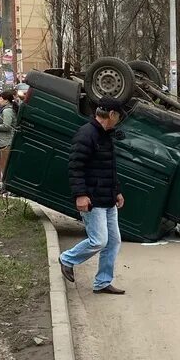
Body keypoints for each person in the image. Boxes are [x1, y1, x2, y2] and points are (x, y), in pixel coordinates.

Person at [59, 97, 126, 295]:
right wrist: (80, 195)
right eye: (118, 116)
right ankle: (67, 259)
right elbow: (75, 167)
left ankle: (103, 282)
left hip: (108, 197)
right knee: (99, 240)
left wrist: (117, 191)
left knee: (113, 242)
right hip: (93, 198)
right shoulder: (86, 134)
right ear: (111, 115)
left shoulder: (105, 134)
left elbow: (108, 168)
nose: (119, 120)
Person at [0, 89, 17, 191]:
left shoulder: (7, 111)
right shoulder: (6, 109)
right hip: (4, 142)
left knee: (6, 166)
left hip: (7, 142)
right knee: (4, 164)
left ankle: (7, 187)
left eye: (1, 99)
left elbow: (6, 126)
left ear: (6, 100)